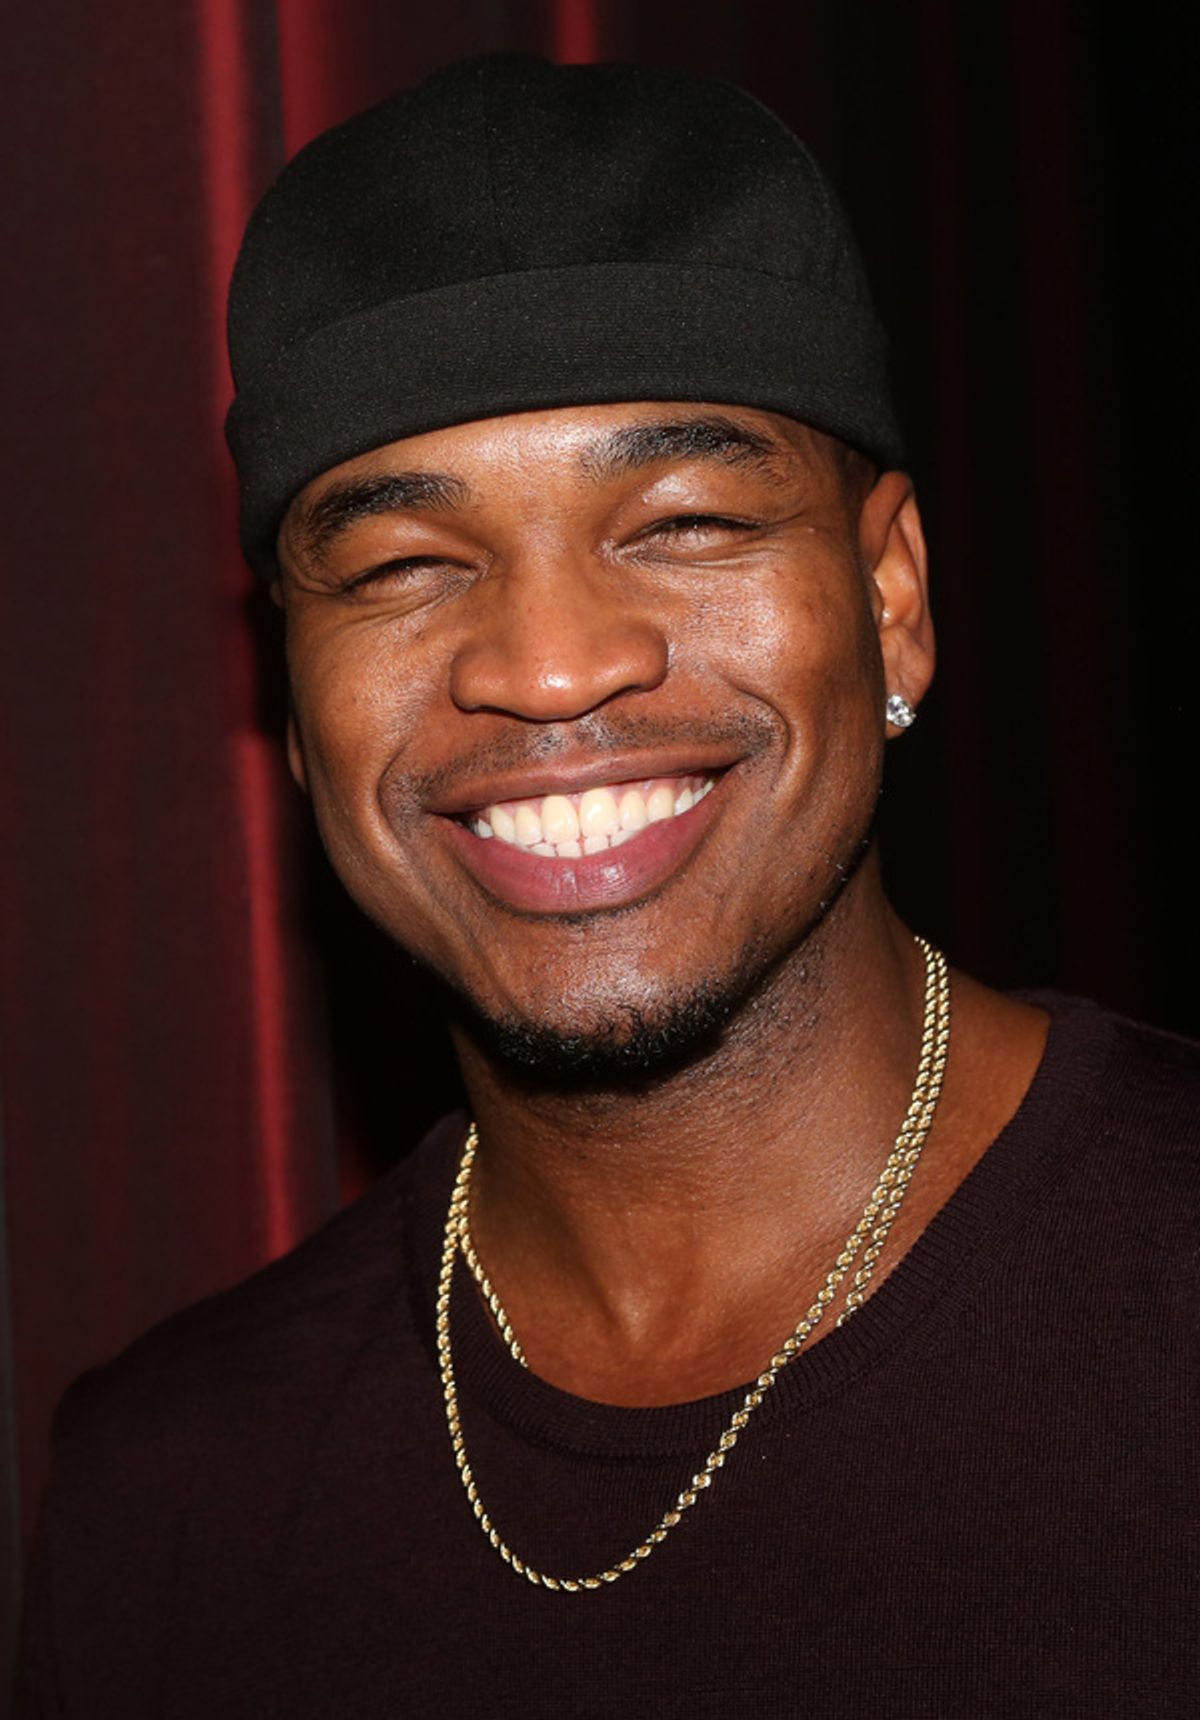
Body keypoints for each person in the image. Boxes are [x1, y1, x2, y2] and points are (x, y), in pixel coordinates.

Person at [16, 53, 1197, 1717]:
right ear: (293, 699)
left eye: (685, 522)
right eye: (405, 565)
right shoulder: (167, 1495)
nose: (552, 668)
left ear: (891, 599)